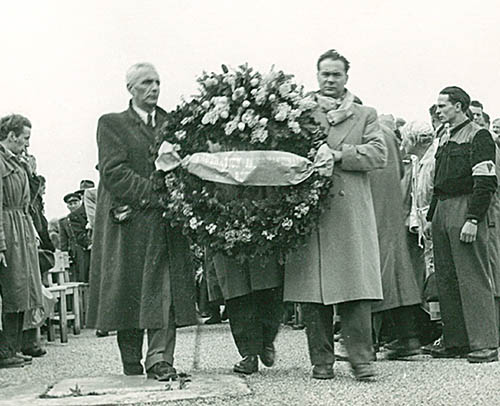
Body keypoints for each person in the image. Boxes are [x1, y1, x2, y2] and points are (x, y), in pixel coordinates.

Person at [87, 62, 197, 380]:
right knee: (130, 292)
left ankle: (160, 359)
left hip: (165, 224)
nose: (154, 88)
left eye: (158, 82)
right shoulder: (112, 124)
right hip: (131, 224)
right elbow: (113, 172)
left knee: (165, 291)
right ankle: (132, 359)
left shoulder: (172, 124)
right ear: (130, 89)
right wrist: (153, 192)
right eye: (146, 82)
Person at [284, 49, 387, 381]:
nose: (330, 80)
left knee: (355, 289)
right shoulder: (297, 112)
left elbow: (378, 153)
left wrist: (339, 154)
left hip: (348, 212)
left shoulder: (365, 114)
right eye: (325, 74)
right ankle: (321, 361)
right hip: (310, 211)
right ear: (316, 76)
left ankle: (361, 360)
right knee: (313, 291)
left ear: (346, 77)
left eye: (336, 74)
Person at [426, 86, 498, 362]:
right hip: (443, 210)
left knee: (472, 276)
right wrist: (432, 216)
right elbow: (438, 182)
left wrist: (472, 218)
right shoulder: (444, 136)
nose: (438, 110)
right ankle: (456, 341)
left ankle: (486, 343)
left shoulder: (479, 136)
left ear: (458, 106)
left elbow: (486, 181)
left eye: (443, 105)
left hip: (465, 207)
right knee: (446, 278)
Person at [370, 117, 423, 359]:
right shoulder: (388, 134)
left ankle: (368, 343)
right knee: (399, 278)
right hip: (392, 211)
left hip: (370, 212)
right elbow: (401, 170)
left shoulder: (361, 133)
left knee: (372, 279)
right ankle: (408, 339)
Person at [0, 114, 43, 366]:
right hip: (8, 229)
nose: (27, 144)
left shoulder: (16, 162)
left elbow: (28, 200)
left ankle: (12, 349)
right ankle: (5, 351)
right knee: (13, 290)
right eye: (24, 138)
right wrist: (1, 243)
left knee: (21, 290)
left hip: (20, 229)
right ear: (12, 135)